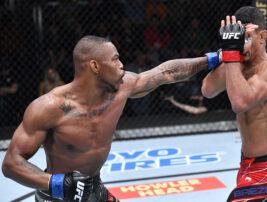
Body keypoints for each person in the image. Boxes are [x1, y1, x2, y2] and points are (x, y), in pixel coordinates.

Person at [2, 35, 219, 202]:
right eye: (115, 60)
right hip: (57, 195)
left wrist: (215, 58)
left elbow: (166, 73)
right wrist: (58, 184)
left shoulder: (122, 88)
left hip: (95, 188)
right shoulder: (50, 107)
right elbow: (11, 163)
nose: (122, 65)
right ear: (95, 66)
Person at [202, 7, 267, 201]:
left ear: (262, 36)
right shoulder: (237, 63)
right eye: (240, 37)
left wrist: (231, 56)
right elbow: (208, 90)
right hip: (246, 166)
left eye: (248, 36)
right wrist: (230, 52)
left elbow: (241, 102)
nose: (243, 42)